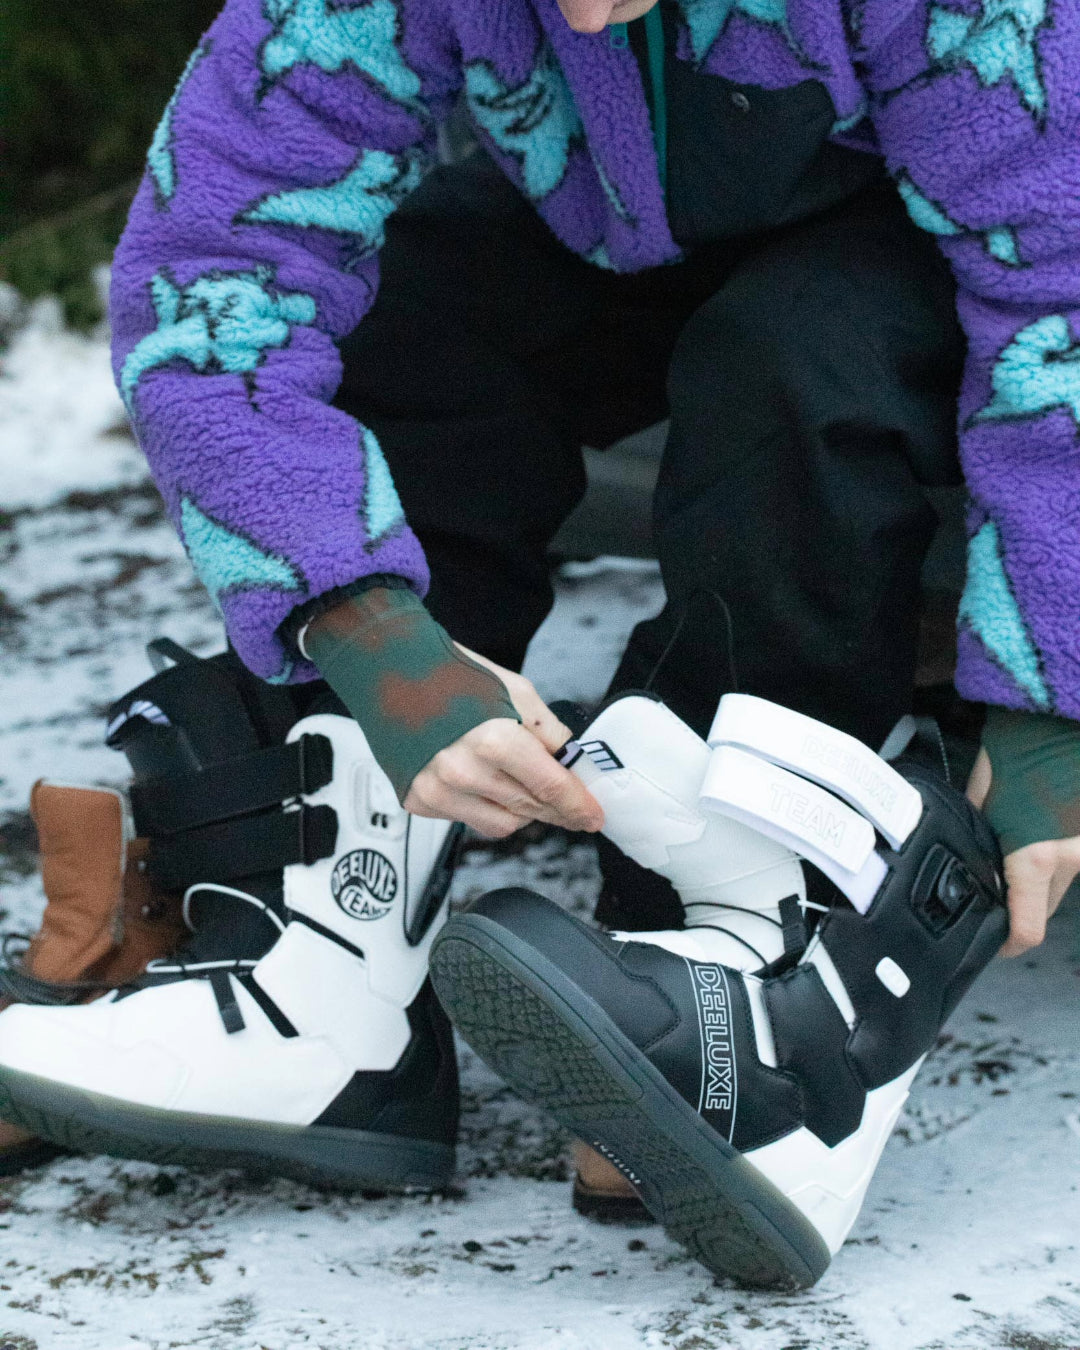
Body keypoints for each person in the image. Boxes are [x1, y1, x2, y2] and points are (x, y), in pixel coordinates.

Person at [91, 0, 1080, 1258]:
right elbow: (207, 273)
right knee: (416, 308)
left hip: (917, 237)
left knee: (794, 371)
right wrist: (367, 631)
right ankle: (338, 942)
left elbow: (1063, 289)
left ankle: (729, 973)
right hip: (609, 220)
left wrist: (1055, 699)